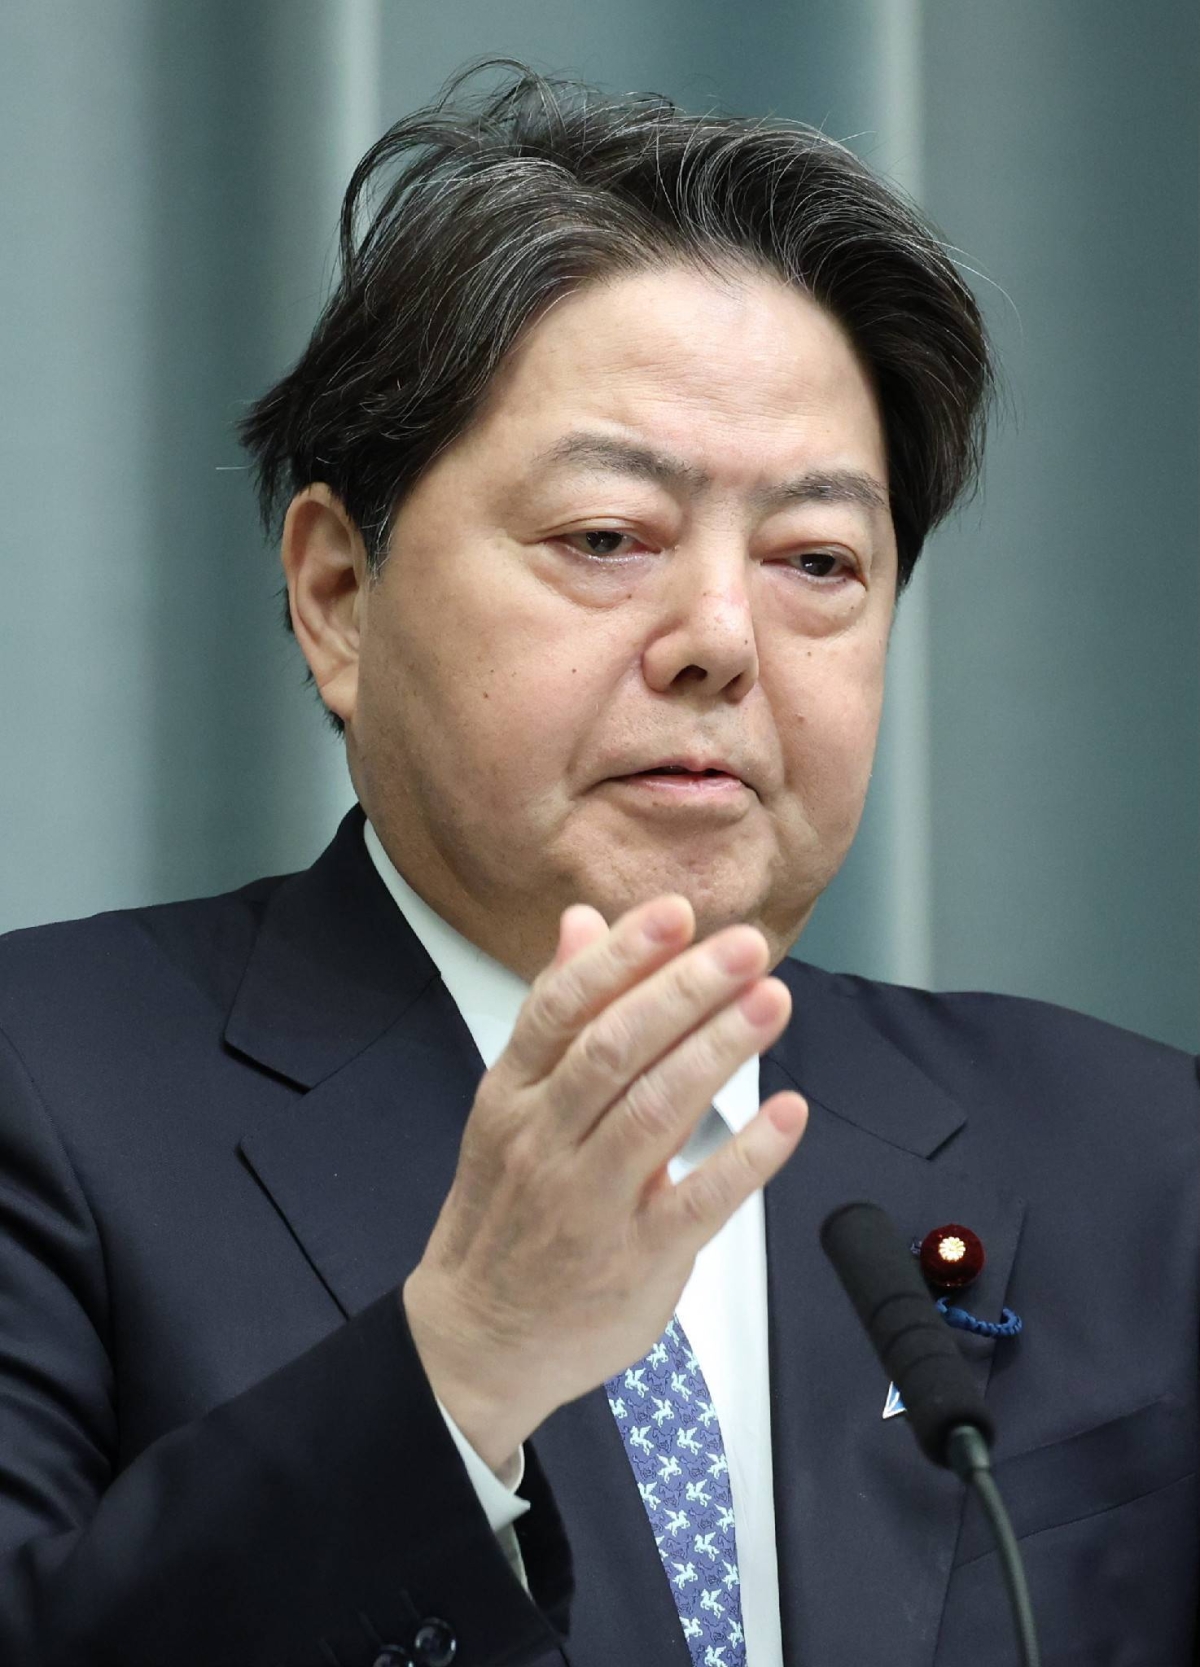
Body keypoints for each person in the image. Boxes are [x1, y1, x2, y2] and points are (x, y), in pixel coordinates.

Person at [0, 58, 1195, 1667]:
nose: (721, 638)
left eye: (817, 561)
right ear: (339, 596)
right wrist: (463, 1366)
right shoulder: (45, 1094)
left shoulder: (1141, 1159)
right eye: (608, 538)